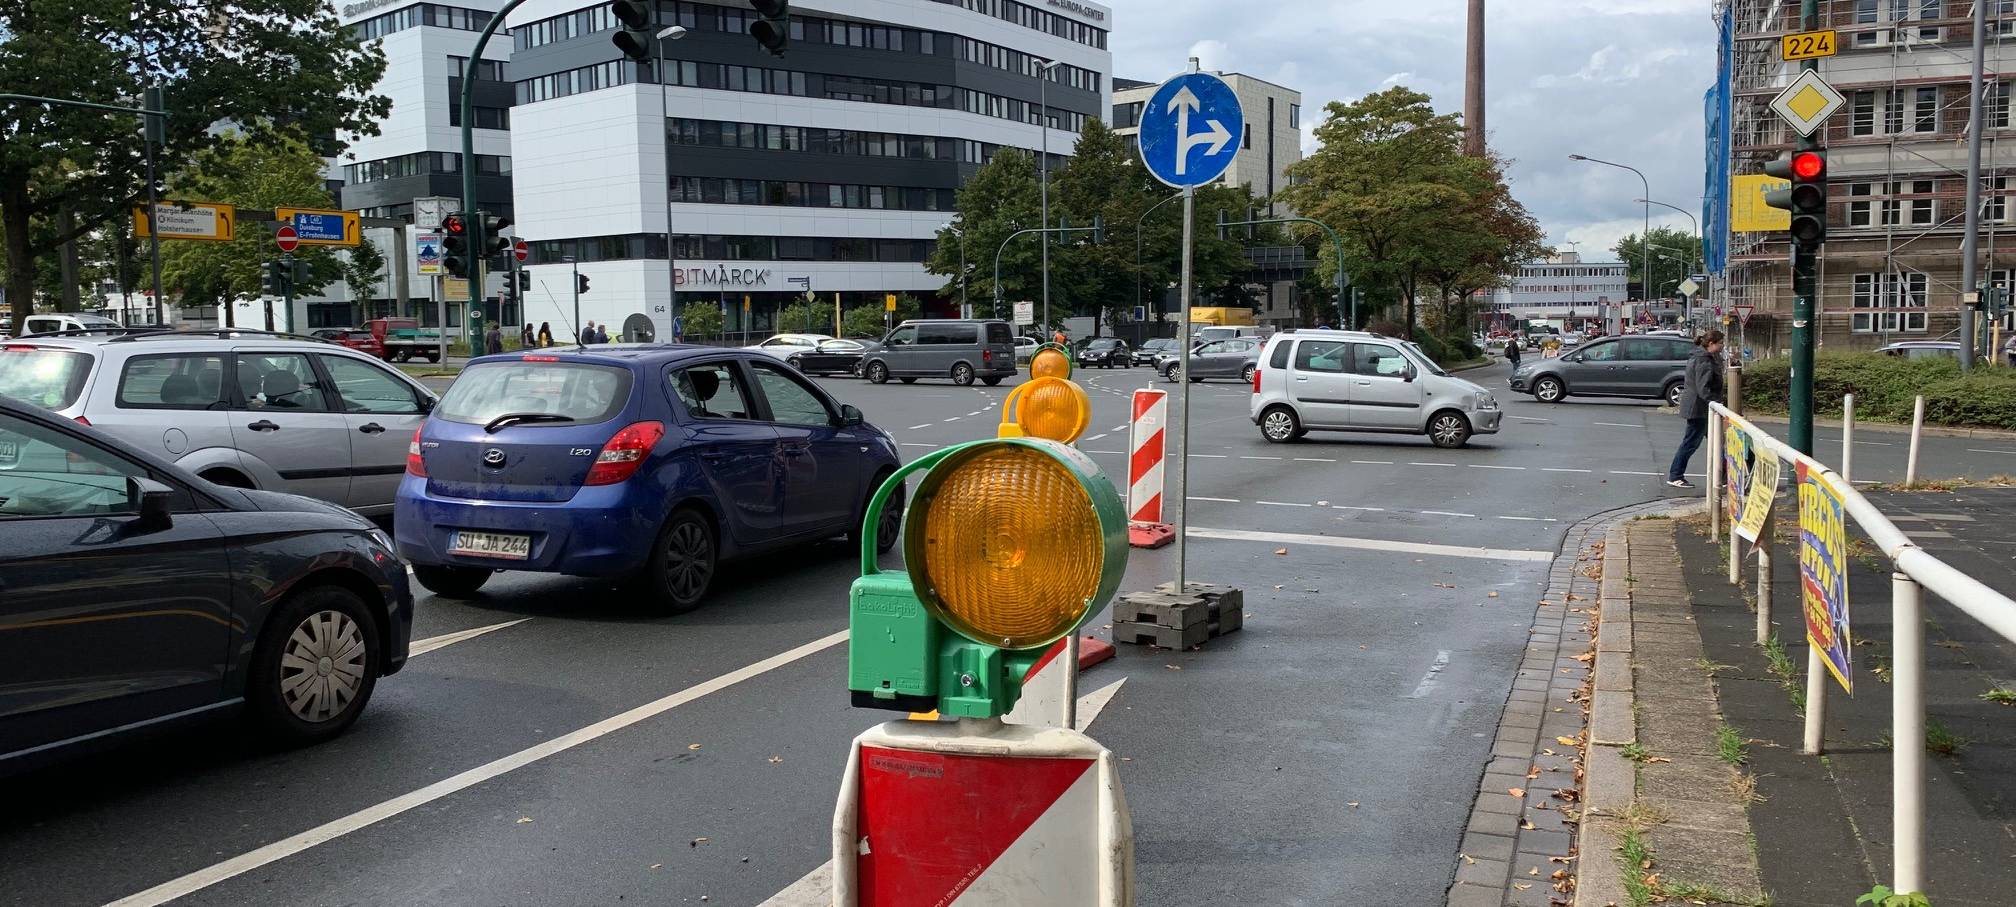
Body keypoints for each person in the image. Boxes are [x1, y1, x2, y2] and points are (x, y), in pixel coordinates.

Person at [1667, 330, 1727, 489]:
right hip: (1698, 408)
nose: (1722, 346)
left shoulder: (1703, 357)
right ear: (1711, 343)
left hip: (1700, 407)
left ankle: (1725, 475)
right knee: (1691, 443)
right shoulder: (1703, 360)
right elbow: (1703, 388)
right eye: (1720, 343)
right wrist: (1717, 403)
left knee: (1716, 442)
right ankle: (1676, 475)